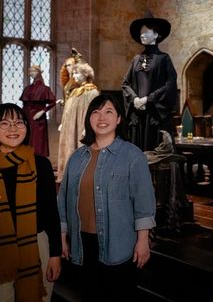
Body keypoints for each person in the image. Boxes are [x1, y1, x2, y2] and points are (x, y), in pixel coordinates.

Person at [57, 94, 156, 302]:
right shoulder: (76, 157)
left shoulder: (132, 155)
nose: (102, 117)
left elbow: (144, 202)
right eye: (96, 112)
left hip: (119, 243)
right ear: (89, 119)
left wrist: (143, 241)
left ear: (119, 119)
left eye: (109, 112)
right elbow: (63, 200)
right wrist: (62, 237)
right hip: (81, 243)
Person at [0, 103, 61, 302]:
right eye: (4, 123)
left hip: (37, 246)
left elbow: (52, 213)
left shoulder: (41, 164)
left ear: (26, 127)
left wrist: (55, 254)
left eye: (19, 122)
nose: (13, 128)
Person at [122, 15, 177, 151]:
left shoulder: (164, 58)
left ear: (156, 35)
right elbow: (125, 83)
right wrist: (135, 99)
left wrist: (148, 99)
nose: (142, 35)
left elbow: (170, 84)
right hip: (138, 116)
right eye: (141, 33)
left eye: (146, 32)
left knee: (154, 151)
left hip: (155, 115)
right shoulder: (136, 59)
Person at [56, 62, 99, 182]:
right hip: (69, 127)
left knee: (80, 150)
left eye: (77, 73)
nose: (74, 76)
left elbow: (93, 111)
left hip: (81, 126)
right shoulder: (75, 91)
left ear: (85, 74)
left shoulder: (92, 92)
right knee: (69, 149)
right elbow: (68, 110)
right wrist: (63, 123)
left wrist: (88, 127)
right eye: (73, 73)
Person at [20, 65, 58, 157]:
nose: (31, 73)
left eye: (34, 71)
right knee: (26, 139)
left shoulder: (45, 89)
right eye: (30, 71)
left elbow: (53, 102)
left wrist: (42, 111)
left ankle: (38, 162)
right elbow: (24, 105)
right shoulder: (27, 88)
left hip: (38, 118)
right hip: (27, 117)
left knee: (38, 142)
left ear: (39, 72)